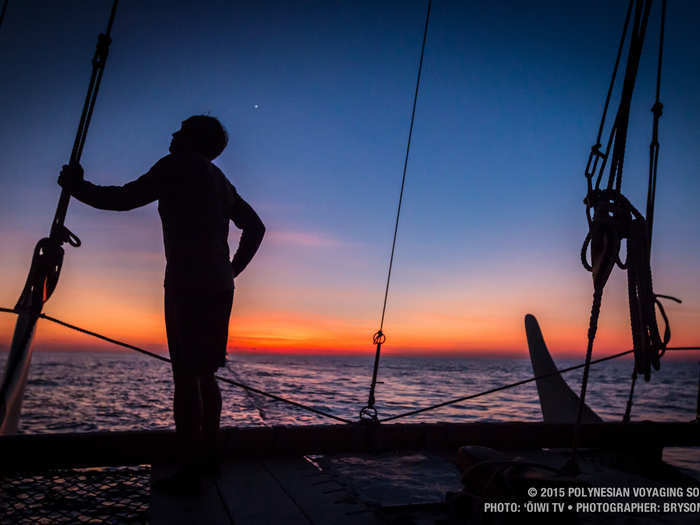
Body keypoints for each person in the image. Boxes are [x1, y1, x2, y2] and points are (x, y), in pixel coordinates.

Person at [58, 115, 265, 486]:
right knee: (204, 373)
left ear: (193, 139)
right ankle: (208, 457)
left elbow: (123, 199)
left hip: (188, 283)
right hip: (219, 285)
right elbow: (256, 227)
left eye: (181, 129)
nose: (172, 133)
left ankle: (189, 471)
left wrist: (77, 187)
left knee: (185, 376)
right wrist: (231, 270)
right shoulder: (221, 180)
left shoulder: (176, 164)